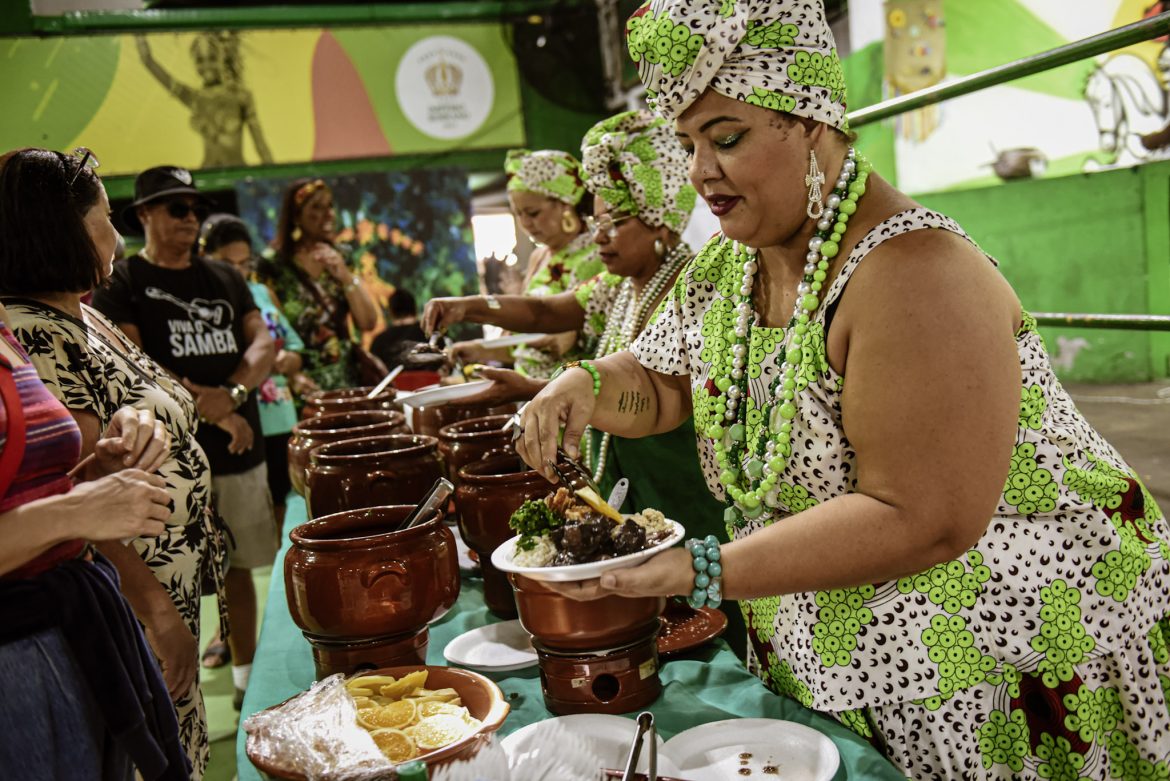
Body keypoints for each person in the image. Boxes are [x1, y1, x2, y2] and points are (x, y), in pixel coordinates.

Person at [515, 2, 1170, 778]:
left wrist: (701, 564)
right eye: (689, 144)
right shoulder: (736, 268)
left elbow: (920, 516)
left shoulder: (914, 274)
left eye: (727, 138)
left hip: (989, 667)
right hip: (842, 660)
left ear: (814, 123)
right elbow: (662, 383)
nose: (700, 172)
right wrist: (584, 385)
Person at [423, 111, 744, 653]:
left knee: (706, 611)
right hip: (634, 483)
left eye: (613, 222)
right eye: (594, 222)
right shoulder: (620, 288)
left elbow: (662, 396)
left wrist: (534, 387)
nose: (598, 236)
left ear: (661, 221)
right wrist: (471, 307)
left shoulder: (690, 287)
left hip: (681, 491)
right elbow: (548, 310)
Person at [0, 148, 228, 776]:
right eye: (107, 217)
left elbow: (93, 463)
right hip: (128, 594)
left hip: (162, 584)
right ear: (61, 228)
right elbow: (66, 503)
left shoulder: (85, 315)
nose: (119, 238)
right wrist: (154, 607)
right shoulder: (33, 331)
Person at [92, 165, 276, 714]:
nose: (190, 218)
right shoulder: (123, 281)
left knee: (239, 566)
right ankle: (173, 696)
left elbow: (262, 340)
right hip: (164, 461)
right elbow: (136, 367)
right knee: (172, 578)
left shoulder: (224, 274)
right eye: (176, 208)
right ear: (143, 214)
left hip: (240, 448)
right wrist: (213, 408)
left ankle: (244, 678)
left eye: (194, 208)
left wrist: (235, 395)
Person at [450, 149, 604, 377]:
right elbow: (522, 345)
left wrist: (575, 337)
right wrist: (478, 351)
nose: (525, 223)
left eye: (533, 213)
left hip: (575, 386)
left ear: (565, 204)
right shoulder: (539, 256)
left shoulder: (599, 253)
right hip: (529, 389)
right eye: (518, 213)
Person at [256, 178, 379, 392]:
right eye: (317, 207)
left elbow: (368, 322)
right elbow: (268, 328)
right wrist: (292, 374)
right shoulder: (273, 265)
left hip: (347, 381)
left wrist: (345, 277)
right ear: (296, 216)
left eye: (330, 206)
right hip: (301, 384)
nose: (328, 214)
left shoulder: (342, 256)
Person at [136, 33, 273, 169]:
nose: (206, 65)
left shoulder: (241, 97)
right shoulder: (194, 98)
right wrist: (137, 31)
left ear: (222, 58)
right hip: (207, 179)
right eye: (200, 60)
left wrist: (275, 178)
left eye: (212, 58)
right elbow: (147, 61)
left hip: (237, 177)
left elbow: (260, 144)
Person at [369, 288, 426, 371]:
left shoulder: (379, 341)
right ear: (414, 308)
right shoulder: (429, 333)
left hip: (391, 383)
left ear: (391, 312)